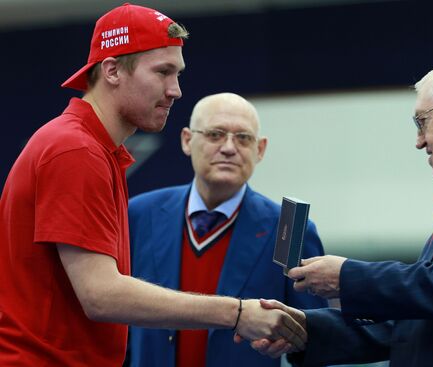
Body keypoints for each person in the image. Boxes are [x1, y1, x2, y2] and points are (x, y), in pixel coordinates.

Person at [0, 4, 306, 367]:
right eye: (163, 72)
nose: (176, 90)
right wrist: (238, 312)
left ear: (261, 148)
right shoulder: (75, 150)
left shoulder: (92, 150)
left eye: (177, 74)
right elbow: (101, 295)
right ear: (112, 70)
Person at [253, 56, 433, 366]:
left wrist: (347, 276)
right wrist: (304, 329)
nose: (419, 141)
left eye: (423, 121)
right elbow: (412, 325)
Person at [125, 92, 327, 367]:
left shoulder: (289, 229)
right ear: (187, 140)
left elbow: (315, 341)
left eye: (243, 138)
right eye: (215, 134)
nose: (229, 148)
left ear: (260, 149)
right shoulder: (139, 215)